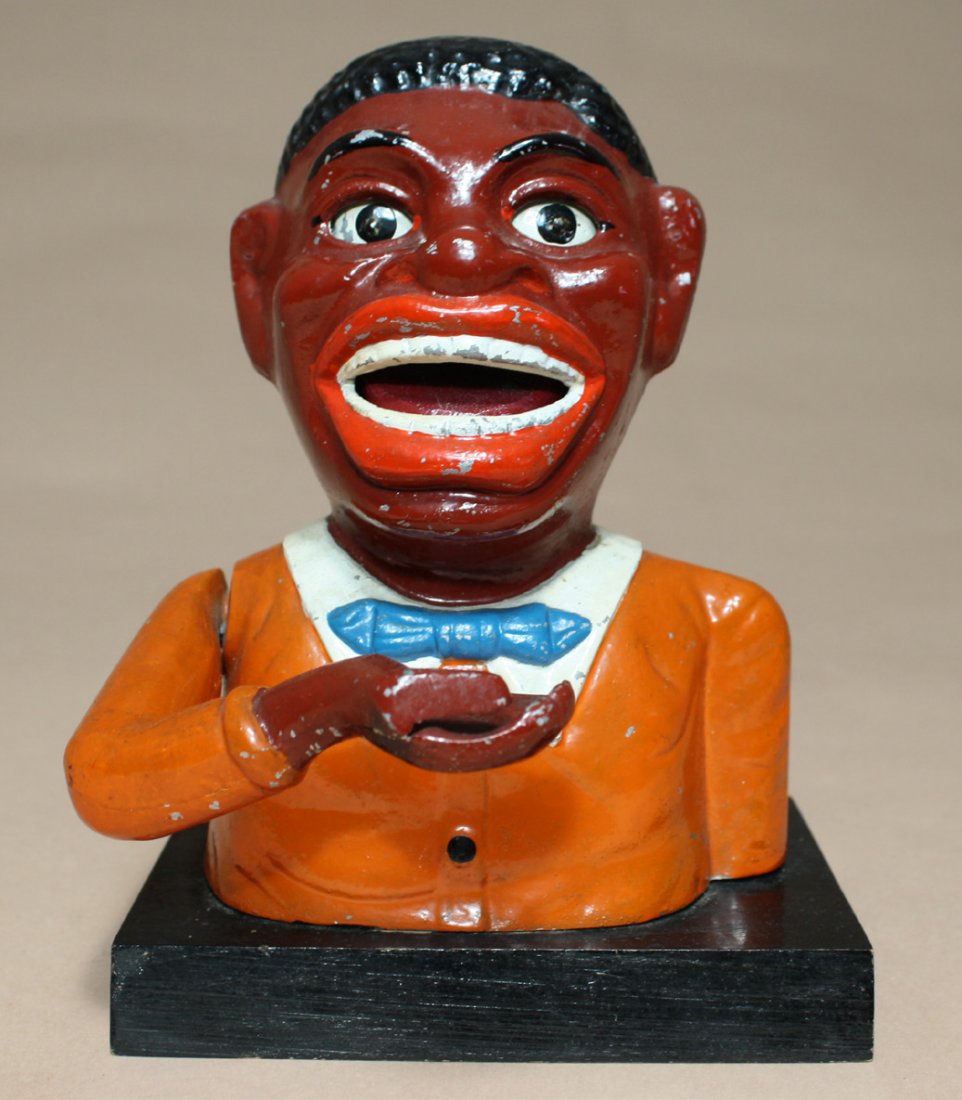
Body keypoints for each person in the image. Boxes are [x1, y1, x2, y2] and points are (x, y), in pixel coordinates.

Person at [65, 38, 789, 932]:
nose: (462, 258)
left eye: (557, 219)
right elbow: (108, 782)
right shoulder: (227, 609)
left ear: (671, 286)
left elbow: (744, 880)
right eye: (370, 220)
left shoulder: (721, 623)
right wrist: (316, 709)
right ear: (255, 288)